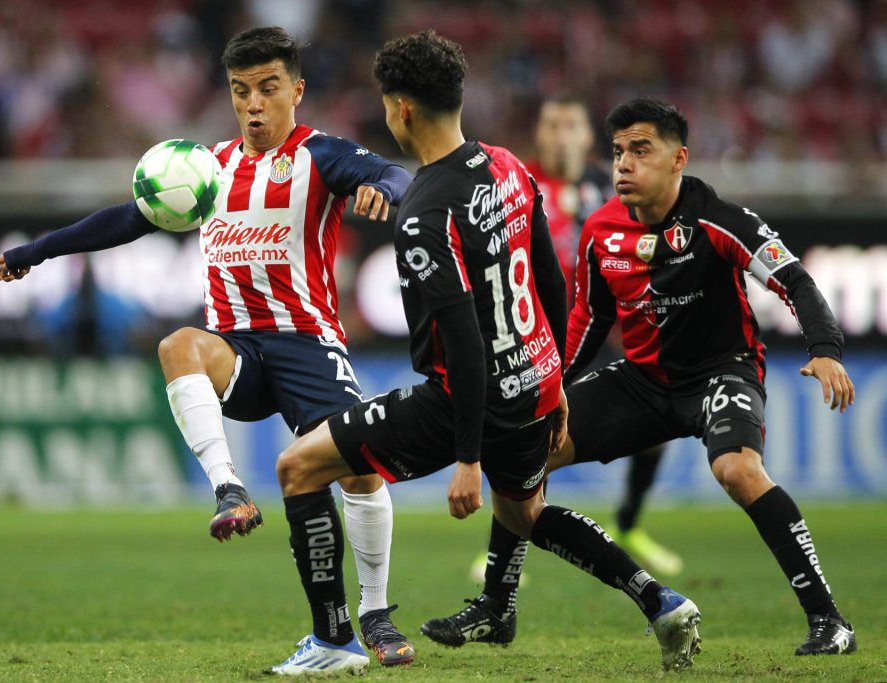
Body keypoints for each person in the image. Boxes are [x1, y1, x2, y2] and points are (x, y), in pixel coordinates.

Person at [267, 31, 701, 676]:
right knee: (525, 514)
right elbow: (552, 281)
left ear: (402, 109)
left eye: (386, 104)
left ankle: (333, 641)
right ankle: (660, 602)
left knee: (298, 467)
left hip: (462, 402)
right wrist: (555, 381)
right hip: (533, 385)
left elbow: (464, 342)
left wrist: (467, 458)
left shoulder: (424, 212)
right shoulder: (507, 166)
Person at [0, 26, 416, 667]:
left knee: (357, 471)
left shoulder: (320, 155)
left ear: (296, 91)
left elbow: (392, 172)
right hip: (236, 349)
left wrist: (385, 189)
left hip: (307, 344)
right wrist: (36, 251)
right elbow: (125, 218)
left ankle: (375, 615)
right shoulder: (205, 170)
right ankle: (229, 490)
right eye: (241, 90)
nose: (253, 104)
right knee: (179, 344)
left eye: (268, 88)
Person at [425, 97, 857, 657]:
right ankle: (496, 606)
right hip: (643, 382)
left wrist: (825, 349)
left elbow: (794, 279)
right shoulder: (601, 229)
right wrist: (548, 388)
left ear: (679, 158)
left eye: (641, 150)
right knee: (522, 451)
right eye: (618, 151)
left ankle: (829, 621)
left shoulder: (719, 218)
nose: (624, 163)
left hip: (720, 374)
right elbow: (588, 321)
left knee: (737, 470)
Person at [462, 96, 681, 615]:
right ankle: (502, 553)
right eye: (552, 124)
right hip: (537, 332)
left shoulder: (612, 185)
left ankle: (630, 525)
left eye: (572, 125)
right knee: (533, 439)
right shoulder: (513, 183)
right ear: (539, 134)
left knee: (656, 428)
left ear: (588, 136)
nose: (561, 134)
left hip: (602, 329)